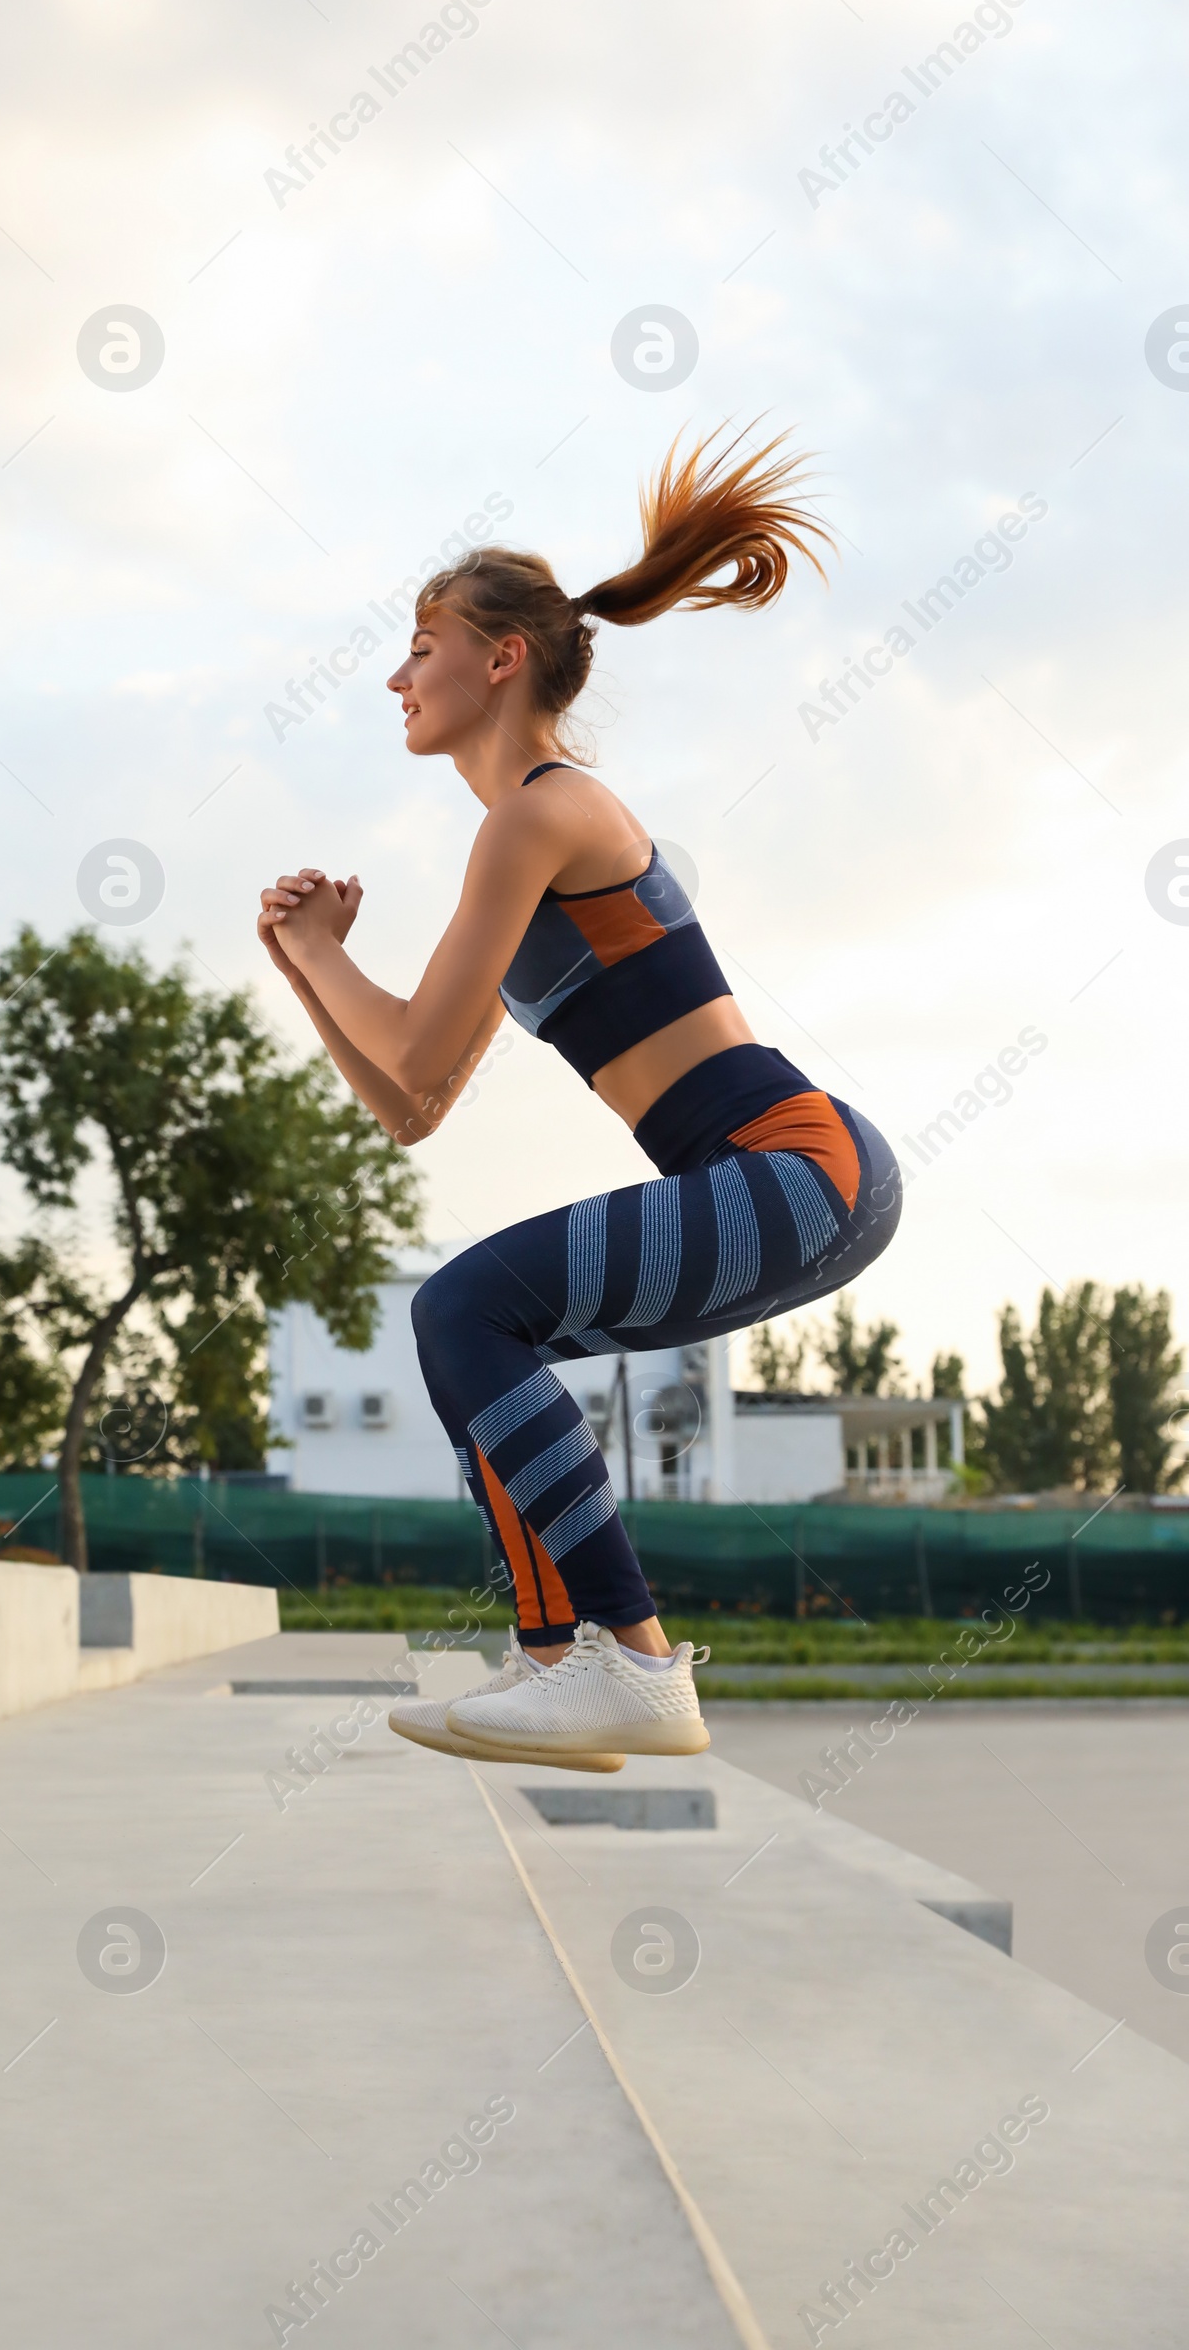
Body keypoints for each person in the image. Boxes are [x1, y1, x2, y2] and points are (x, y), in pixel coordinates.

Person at [256, 430, 901, 1766]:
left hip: (793, 1165)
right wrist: (306, 972)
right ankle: (565, 1666)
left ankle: (630, 1660)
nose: (396, 674)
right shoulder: (526, 840)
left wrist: (322, 955)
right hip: (788, 1180)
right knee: (478, 1323)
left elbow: (421, 1054)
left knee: (466, 1306)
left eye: (420, 642)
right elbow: (412, 1108)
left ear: (500, 660)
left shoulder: (542, 814)